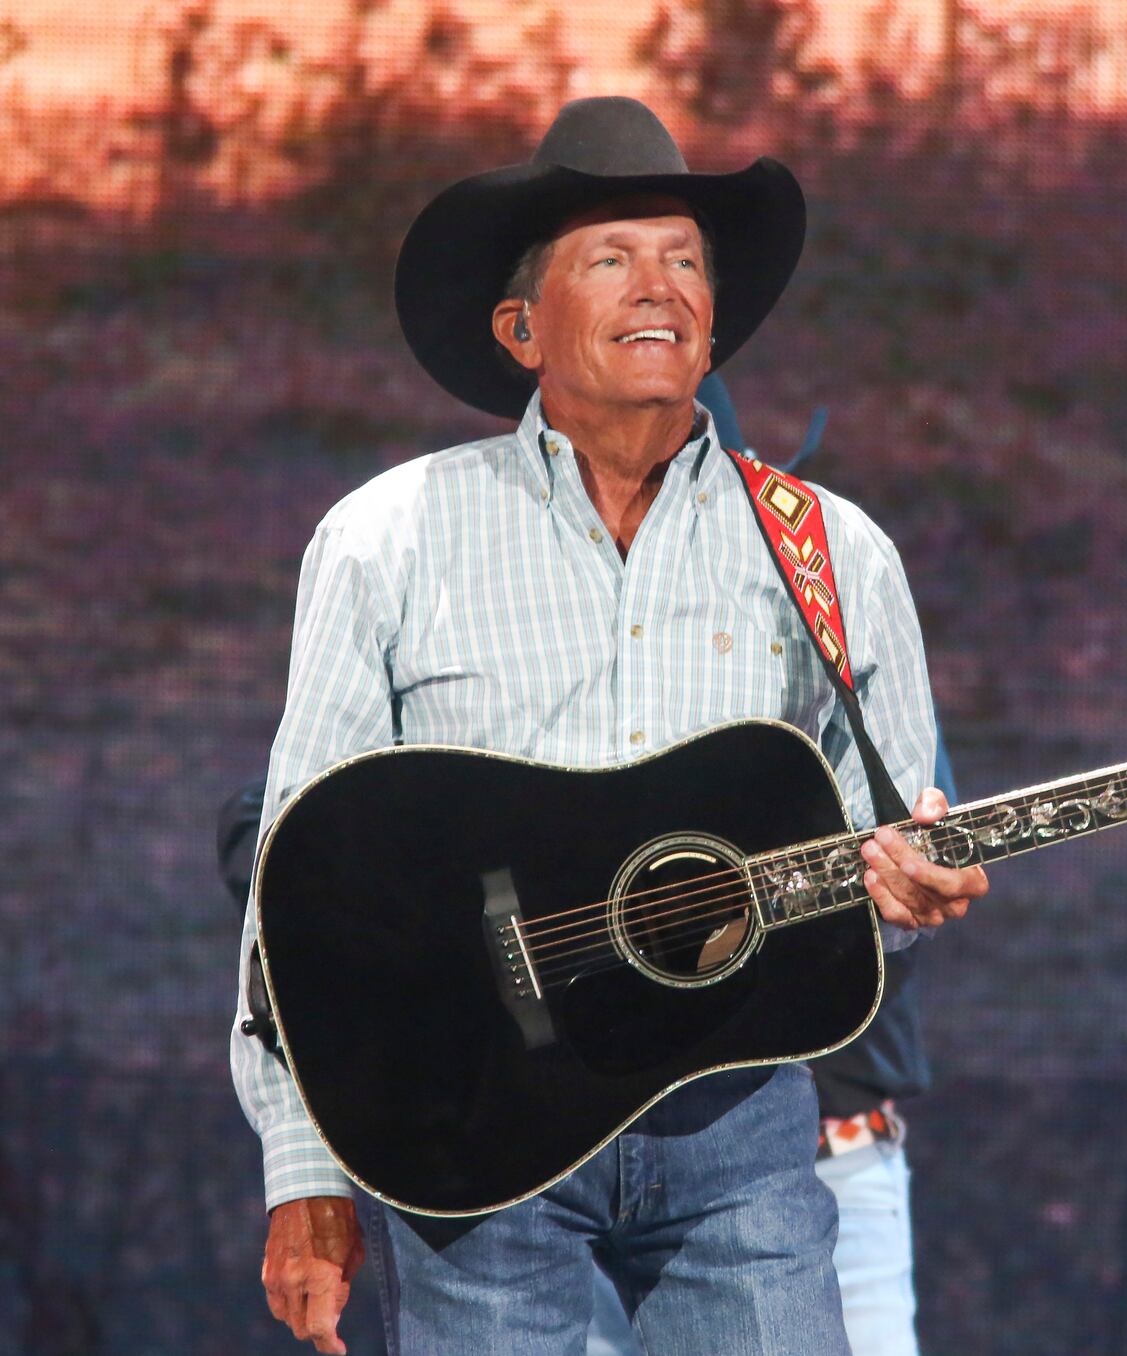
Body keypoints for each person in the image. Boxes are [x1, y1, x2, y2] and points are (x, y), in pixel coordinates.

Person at [231, 96, 987, 1356]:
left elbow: (879, 851)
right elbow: (299, 881)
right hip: (475, 1140)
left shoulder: (830, 551)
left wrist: (898, 896)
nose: (664, 285)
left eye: (687, 257)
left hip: (735, 1128)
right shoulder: (390, 539)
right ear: (520, 327)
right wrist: (304, 1169)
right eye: (613, 255)